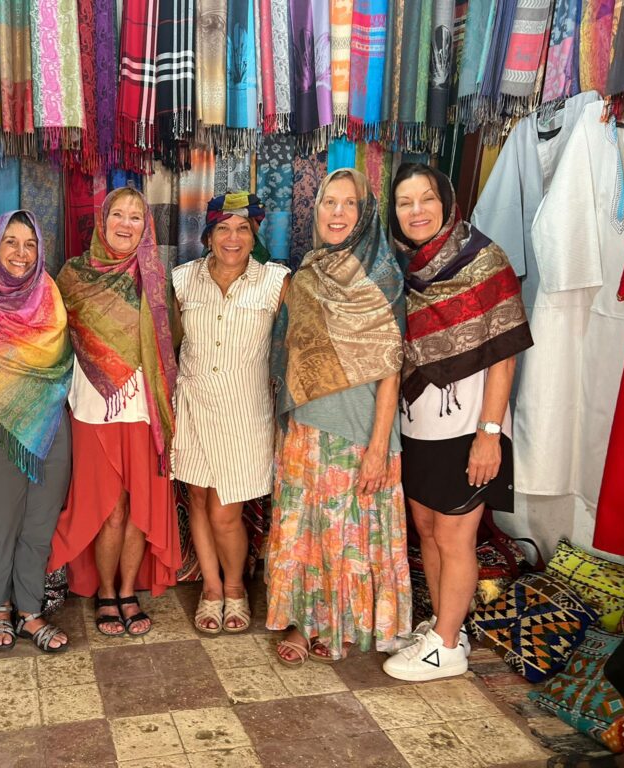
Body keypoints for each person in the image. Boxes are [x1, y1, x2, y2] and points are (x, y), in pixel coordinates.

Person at [383, 163, 532, 682]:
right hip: (418, 424)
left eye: (426, 199)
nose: (417, 210)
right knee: (426, 528)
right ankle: (447, 626)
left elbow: (504, 354)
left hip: (470, 427)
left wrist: (489, 436)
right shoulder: (402, 266)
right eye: (405, 202)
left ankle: (445, 646)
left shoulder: (484, 259)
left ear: (446, 202)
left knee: (454, 535)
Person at [267, 168, 412, 666]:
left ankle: (341, 623)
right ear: (316, 209)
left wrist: (378, 447)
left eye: (349, 204)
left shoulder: (385, 278)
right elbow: (286, 357)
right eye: (329, 202)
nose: (338, 213)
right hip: (306, 430)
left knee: (346, 536)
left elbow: (391, 371)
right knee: (303, 531)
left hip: (359, 434)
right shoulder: (304, 276)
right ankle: (297, 621)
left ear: (365, 212)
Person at [48, 186, 181, 636]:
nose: (126, 224)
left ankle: (128, 591)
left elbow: (173, 342)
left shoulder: (156, 278)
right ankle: (106, 592)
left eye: (136, 217)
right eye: (118, 215)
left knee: (136, 505)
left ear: (147, 227)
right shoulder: (73, 275)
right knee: (108, 509)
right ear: (102, 222)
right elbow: (50, 338)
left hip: (144, 411)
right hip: (92, 409)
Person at [171, 192, 290, 634]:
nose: (233, 237)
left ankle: (236, 588)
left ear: (255, 234)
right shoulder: (183, 280)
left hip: (246, 412)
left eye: (243, 228)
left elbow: (295, 347)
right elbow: (169, 344)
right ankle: (212, 590)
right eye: (223, 227)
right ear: (208, 235)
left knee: (225, 512)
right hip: (194, 405)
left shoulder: (276, 282)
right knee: (198, 500)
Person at [0, 210, 74, 653]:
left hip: (50, 423)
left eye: (29, 244)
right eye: (11, 242)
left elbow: (63, 361)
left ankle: (30, 610)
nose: (21, 253)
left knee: (40, 522)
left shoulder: (51, 295)